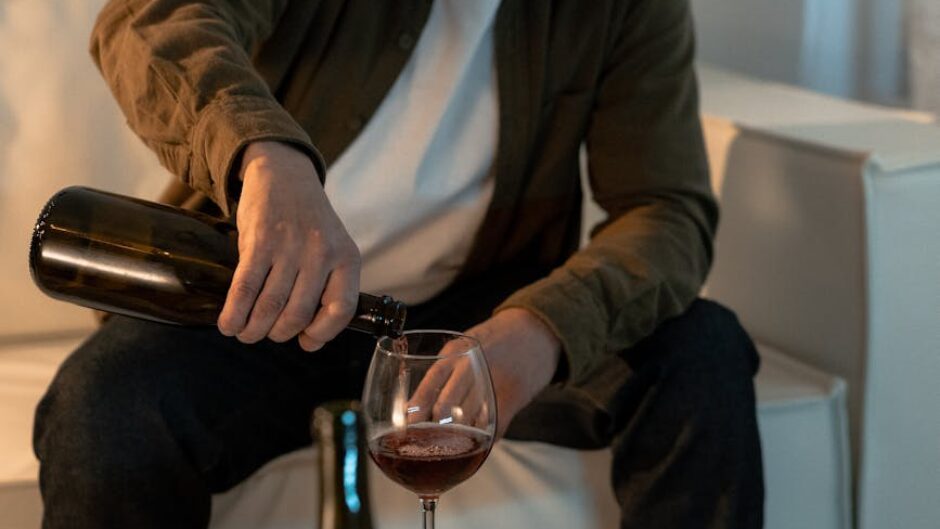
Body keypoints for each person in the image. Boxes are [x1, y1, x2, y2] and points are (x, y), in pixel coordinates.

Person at [33, 0, 764, 527]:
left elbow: (666, 211)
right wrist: (262, 153)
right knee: (106, 408)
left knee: (703, 350)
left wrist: (544, 327)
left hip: (481, 318)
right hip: (261, 303)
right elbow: (147, 20)